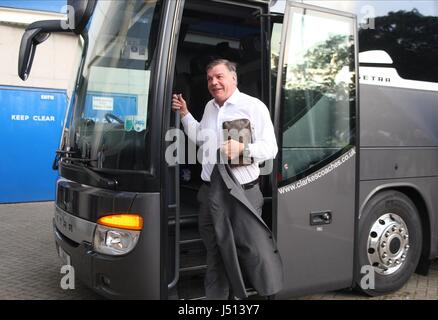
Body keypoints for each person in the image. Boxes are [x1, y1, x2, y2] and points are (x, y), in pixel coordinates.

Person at [172, 59, 278, 299]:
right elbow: (201, 136)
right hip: (211, 193)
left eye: (219, 76)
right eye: (210, 78)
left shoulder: (253, 107)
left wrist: (243, 149)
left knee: (247, 253)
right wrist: (185, 114)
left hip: (241, 194)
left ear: (233, 78)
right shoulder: (210, 107)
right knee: (215, 253)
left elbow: (271, 148)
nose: (213, 82)